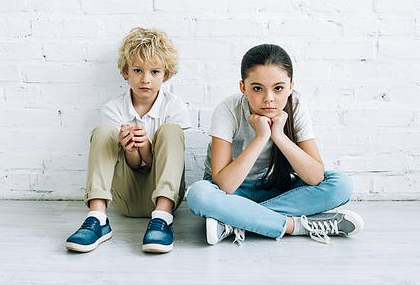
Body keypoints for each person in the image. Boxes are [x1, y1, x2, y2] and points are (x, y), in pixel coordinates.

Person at [186, 44, 364, 245]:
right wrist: (261, 137)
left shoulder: (296, 108)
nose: (268, 98)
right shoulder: (228, 110)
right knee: (198, 194)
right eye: (257, 88)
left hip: (274, 187)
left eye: (278, 88)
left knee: (341, 185)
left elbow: (315, 177)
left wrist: (278, 135)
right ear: (243, 88)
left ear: (291, 87)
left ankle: (236, 220)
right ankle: (295, 226)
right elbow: (224, 185)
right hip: (233, 192)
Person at [66, 27, 191, 253]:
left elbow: (159, 165)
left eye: (154, 72)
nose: (145, 79)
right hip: (126, 199)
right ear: (126, 71)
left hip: (165, 197)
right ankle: (98, 218)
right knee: (104, 131)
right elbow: (132, 166)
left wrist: (146, 146)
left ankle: (162, 219)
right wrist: (131, 149)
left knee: (171, 130)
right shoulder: (113, 109)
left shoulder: (174, 106)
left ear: (166, 74)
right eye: (137, 70)